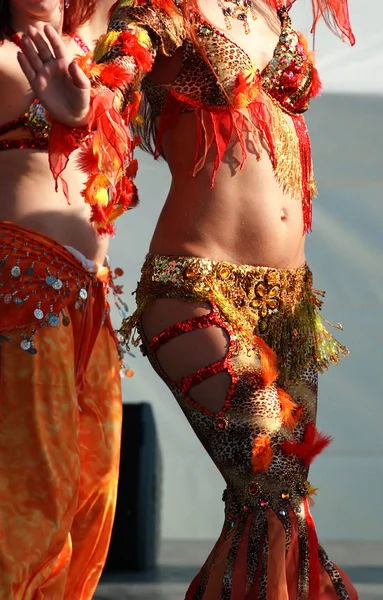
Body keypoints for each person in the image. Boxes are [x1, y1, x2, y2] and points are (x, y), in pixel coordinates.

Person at [18, 0, 359, 597]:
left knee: (275, 508)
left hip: (290, 304)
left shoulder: (271, 8)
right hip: (196, 288)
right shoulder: (157, 11)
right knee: (272, 476)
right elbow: (116, 87)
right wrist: (83, 111)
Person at [0, 1, 127, 598]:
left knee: (92, 494)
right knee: (32, 497)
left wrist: (83, 111)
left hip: (88, 298)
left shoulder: (97, 49)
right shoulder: (5, 57)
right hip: (20, 291)